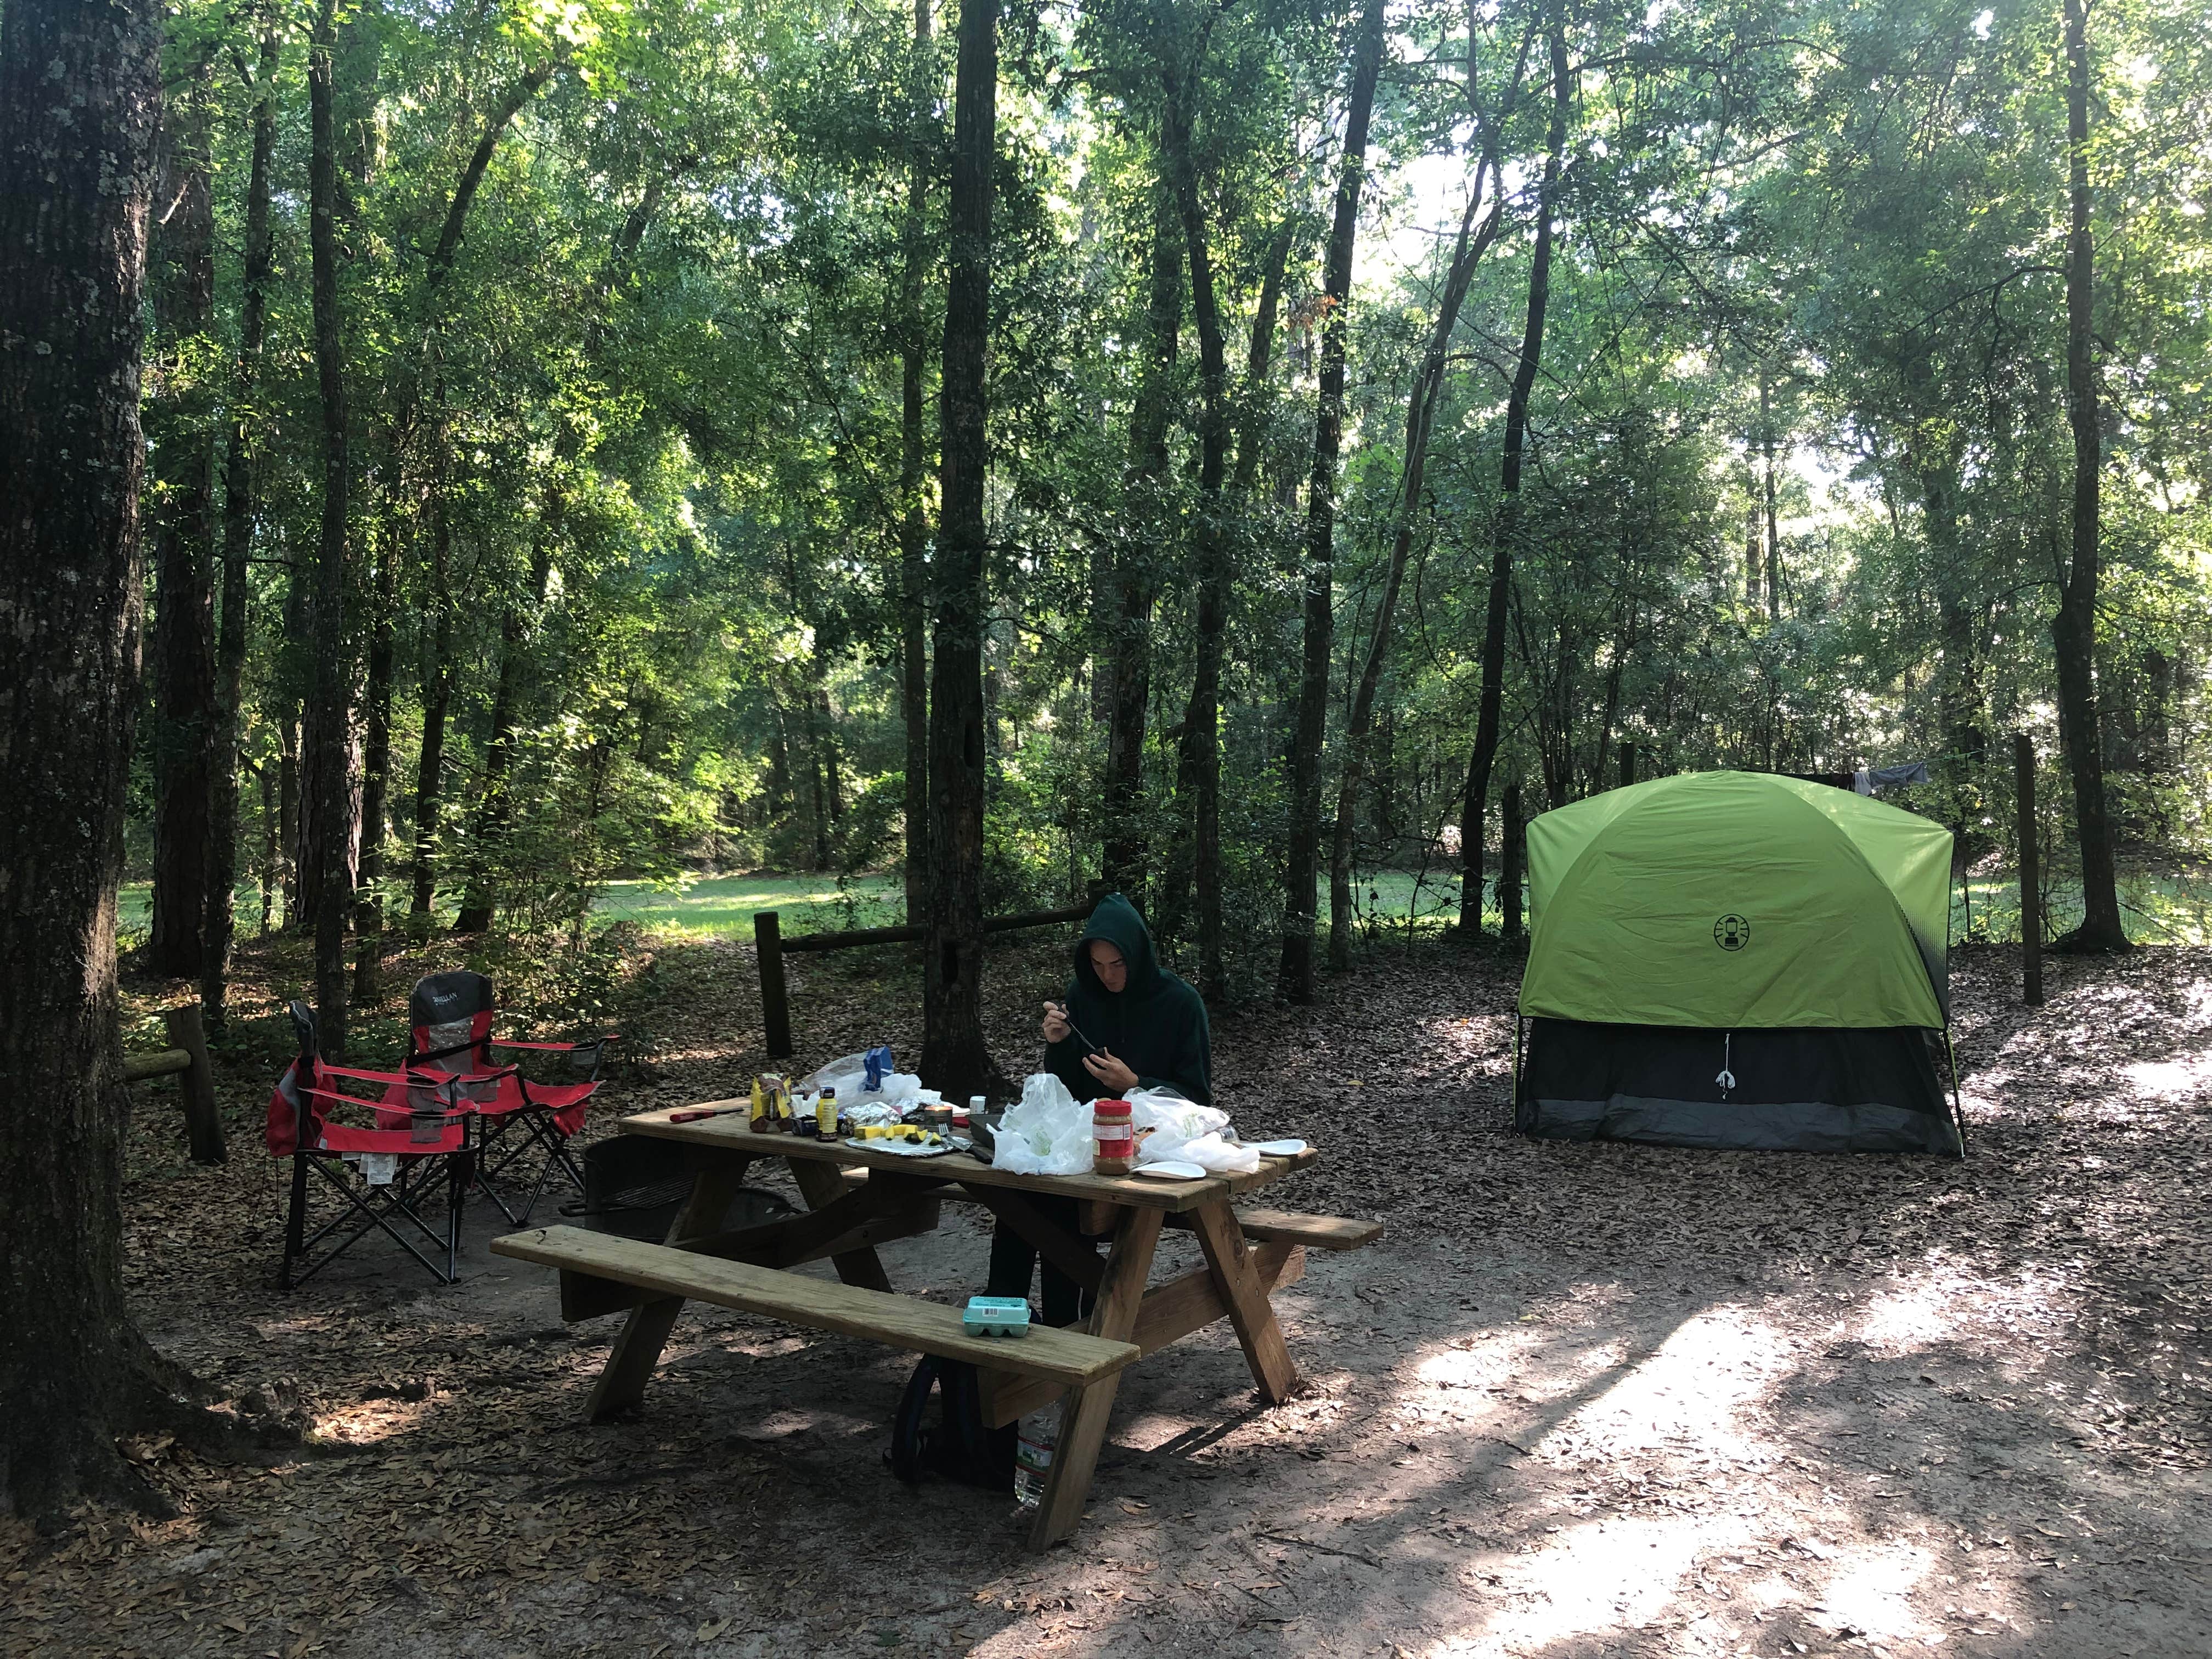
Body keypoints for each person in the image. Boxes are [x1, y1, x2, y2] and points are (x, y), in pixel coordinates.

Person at [985, 892, 1211, 1327]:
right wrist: (1058, 1044)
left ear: (1139, 955)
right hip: (1084, 1141)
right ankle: (1004, 1313)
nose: (1107, 976)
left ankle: (1075, 1326)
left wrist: (1137, 1085)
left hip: (1149, 1150)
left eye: (1118, 964)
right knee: (1018, 1200)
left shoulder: (1181, 1003)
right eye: (1098, 965)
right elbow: (1067, 1086)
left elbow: (1198, 1098)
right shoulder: (1083, 996)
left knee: (1064, 1212)